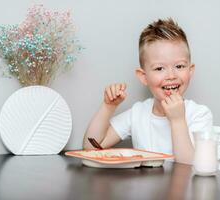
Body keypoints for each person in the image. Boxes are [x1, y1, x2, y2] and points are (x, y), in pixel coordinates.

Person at [83, 18, 213, 164]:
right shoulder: (138, 113)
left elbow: (189, 166)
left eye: (180, 66)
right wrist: (108, 107)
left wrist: (177, 120)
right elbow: (90, 147)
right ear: (143, 77)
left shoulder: (199, 115)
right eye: (159, 68)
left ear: (190, 71)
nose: (171, 76)